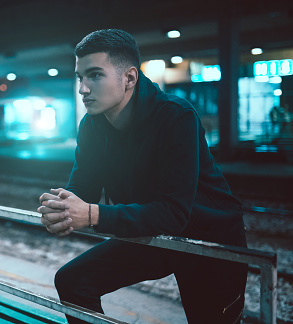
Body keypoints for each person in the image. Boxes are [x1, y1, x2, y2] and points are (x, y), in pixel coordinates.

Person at [38, 29, 247, 324]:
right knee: (74, 281)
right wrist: (61, 208)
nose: (83, 88)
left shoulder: (176, 116)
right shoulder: (92, 124)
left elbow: (174, 212)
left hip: (207, 239)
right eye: (79, 77)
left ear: (130, 78)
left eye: (95, 75)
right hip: (149, 230)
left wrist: (92, 213)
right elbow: (81, 188)